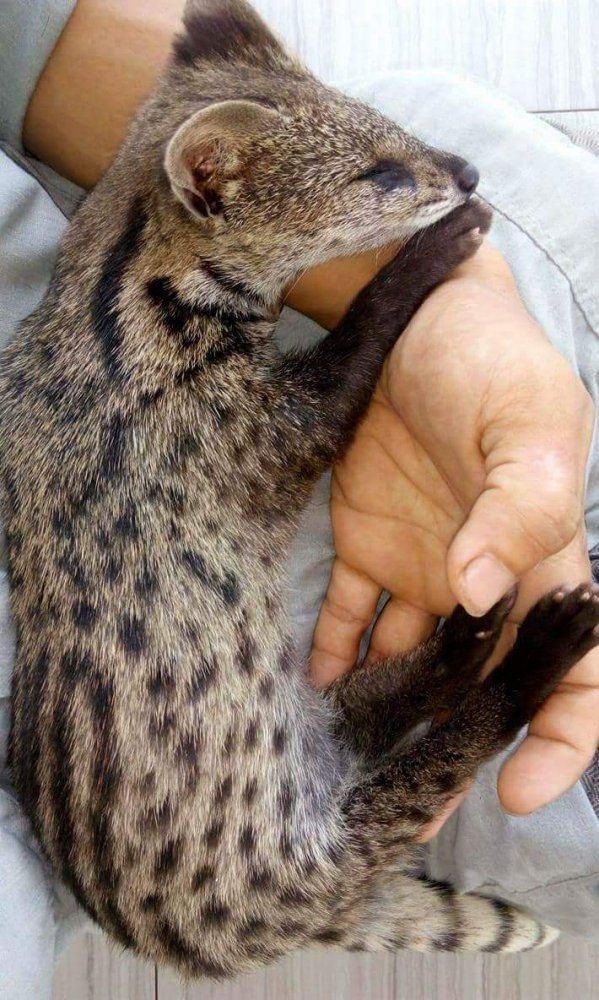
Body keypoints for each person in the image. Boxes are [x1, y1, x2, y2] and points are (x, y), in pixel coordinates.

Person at [1, 2, 598, 997]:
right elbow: (286, 440)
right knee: (383, 798)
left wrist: (438, 303)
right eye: (385, 178)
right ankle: (493, 692)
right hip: (224, 820)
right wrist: (408, 288)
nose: (437, 179)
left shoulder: (135, 338)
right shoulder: (155, 365)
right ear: (209, 187)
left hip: (410, 463)